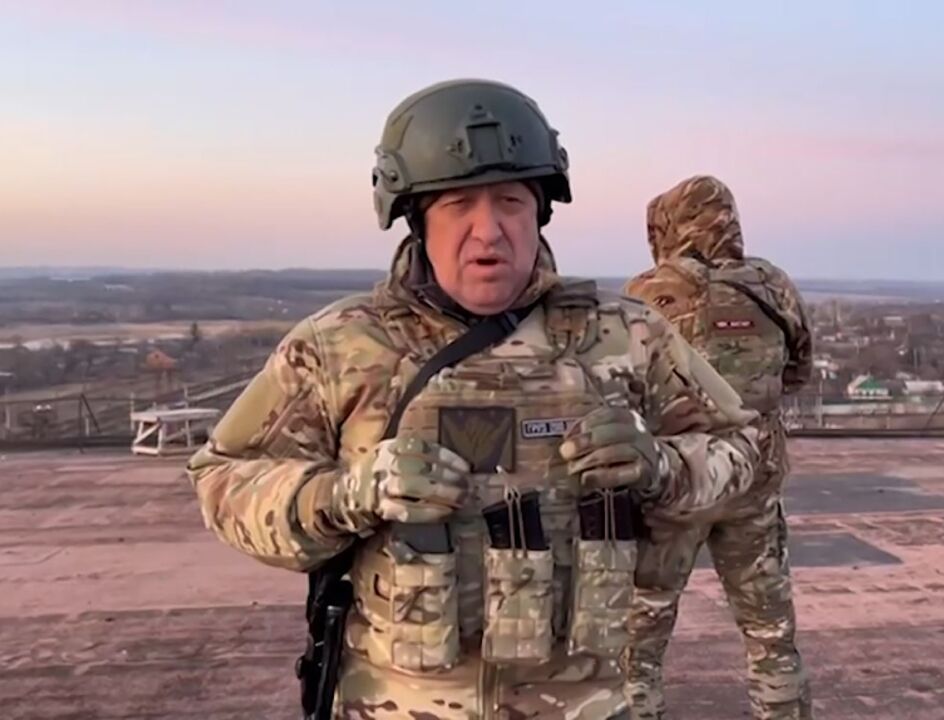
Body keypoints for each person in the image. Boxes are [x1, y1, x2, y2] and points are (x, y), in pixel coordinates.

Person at [185, 80, 763, 720]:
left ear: (539, 213)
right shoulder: (341, 346)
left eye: (511, 202)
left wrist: (661, 466)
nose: (488, 232)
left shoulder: (626, 336)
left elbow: (744, 451)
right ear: (416, 217)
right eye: (459, 204)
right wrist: (346, 495)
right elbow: (223, 481)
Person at [620, 175, 815, 719]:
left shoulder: (645, 293)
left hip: (674, 487)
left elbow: (619, 386)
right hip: (754, 480)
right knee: (771, 636)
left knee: (637, 650)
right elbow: (796, 372)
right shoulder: (772, 286)